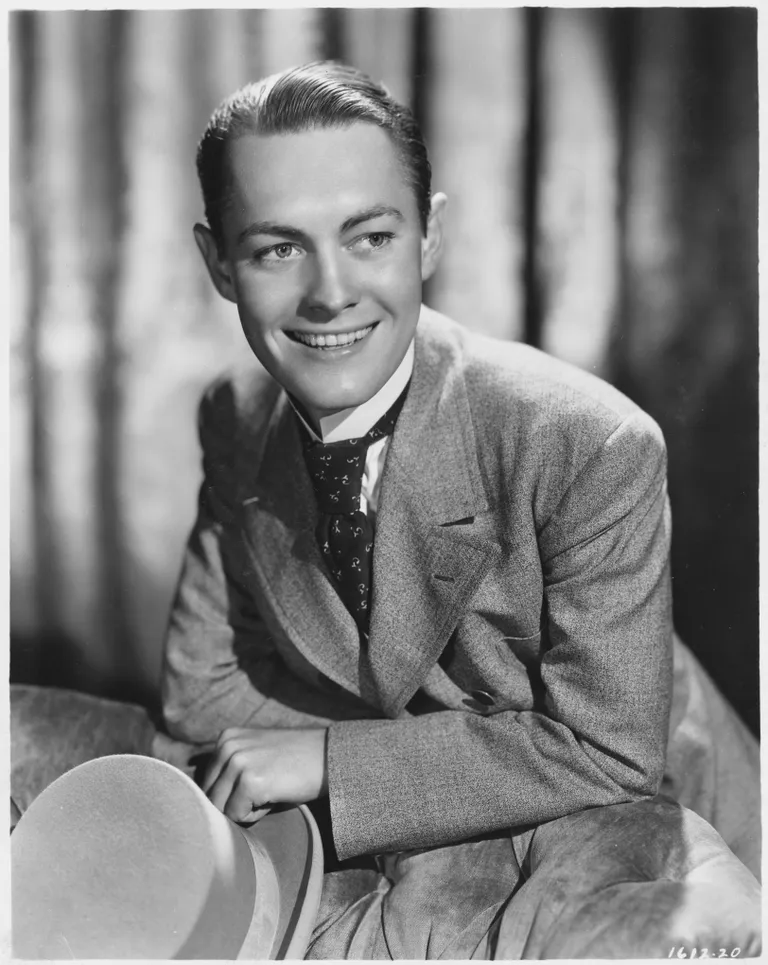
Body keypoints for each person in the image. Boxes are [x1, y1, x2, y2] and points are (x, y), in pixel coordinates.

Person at [155, 60, 757, 956]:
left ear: (429, 237)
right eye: (278, 248)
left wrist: (330, 759)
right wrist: (440, 761)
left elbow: (610, 749)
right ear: (217, 263)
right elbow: (200, 696)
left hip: (666, 836)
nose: (329, 292)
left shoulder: (590, 442)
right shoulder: (237, 416)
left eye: (370, 237)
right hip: (463, 840)